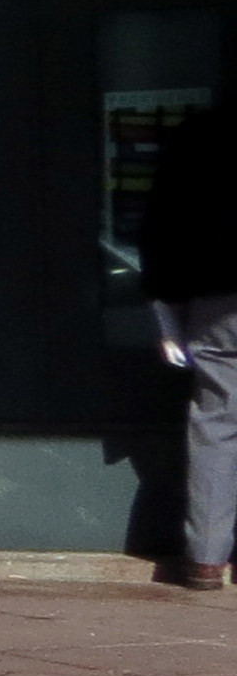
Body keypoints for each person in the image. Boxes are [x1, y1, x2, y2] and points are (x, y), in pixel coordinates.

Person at [145, 104, 237, 589]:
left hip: (215, 294)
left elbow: (162, 222)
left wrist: (166, 312)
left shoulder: (200, 131)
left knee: (218, 424)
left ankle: (206, 556)